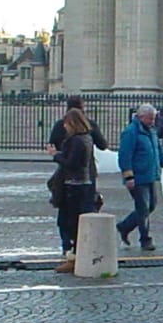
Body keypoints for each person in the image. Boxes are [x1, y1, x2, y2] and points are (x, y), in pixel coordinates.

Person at [47, 96, 108, 252]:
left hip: (71, 174)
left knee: (69, 212)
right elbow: (103, 145)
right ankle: (76, 246)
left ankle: (70, 245)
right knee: (84, 208)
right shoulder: (89, 127)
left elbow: (54, 144)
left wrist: (57, 154)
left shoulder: (65, 128)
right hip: (87, 172)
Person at [116, 104, 163, 252]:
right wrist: (128, 176)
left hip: (150, 175)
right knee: (143, 208)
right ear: (141, 117)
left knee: (151, 206)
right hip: (137, 177)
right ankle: (145, 239)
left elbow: (159, 151)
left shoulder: (152, 131)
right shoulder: (131, 132)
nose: (153, 121)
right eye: (150, 118)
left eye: (154, 118)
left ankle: (124, 226)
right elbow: (125, 156)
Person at [45, 108, 97, 272]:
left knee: (70, 223)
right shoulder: (87, 138)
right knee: (72, 222)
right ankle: (75, 255)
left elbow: (72, 164)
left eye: (67, 124)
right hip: (84, 184)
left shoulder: (77, 140)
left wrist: (55, 155)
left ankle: (74, 257)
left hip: (74, 186)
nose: (65, 127)